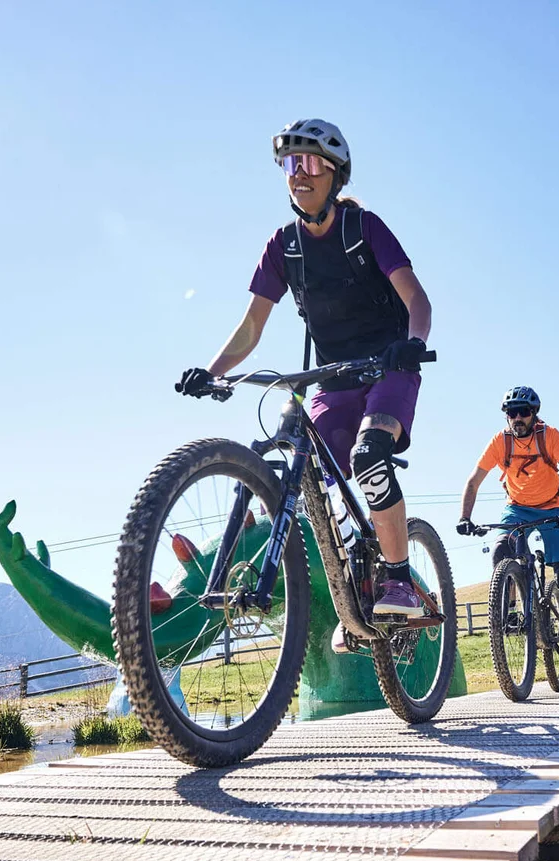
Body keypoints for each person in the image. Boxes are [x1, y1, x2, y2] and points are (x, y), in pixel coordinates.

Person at [175, 119, 434, 619]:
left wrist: (413, 343)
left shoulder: (365, 229)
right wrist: (210, 372)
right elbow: (252, 327)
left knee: (370, 456)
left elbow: (416, 299)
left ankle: (399, 580)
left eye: (312, 163)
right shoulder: (282, 246)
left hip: (388, 367)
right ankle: (351, 600)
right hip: (332, 376)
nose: (300, 174)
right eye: (291, 164)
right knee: (305, 474)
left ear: (337, 175)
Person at [456, 387, 559, 657]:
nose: (517, 417)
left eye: (523, 412)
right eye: (511, 412)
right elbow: (474, 480)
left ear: (534, 414)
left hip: (554, 507)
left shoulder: (549, 436)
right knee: (500, 551)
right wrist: (465, 517)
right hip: (517, 508)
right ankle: (514, 614)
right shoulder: (500, 442)